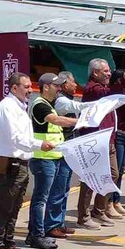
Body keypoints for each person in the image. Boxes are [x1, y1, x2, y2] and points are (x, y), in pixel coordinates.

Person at [0, 72, 55, 249]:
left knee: (15, 207)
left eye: (30, 86)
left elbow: (21, 137)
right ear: (14, 88)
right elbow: (15, 138)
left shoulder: (19, 107)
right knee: (4, 207)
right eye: (26, 87)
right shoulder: (7, 108)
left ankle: (9, 245)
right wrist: (39, 145)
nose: (30, 90)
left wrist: (36, 145)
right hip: (9, 164)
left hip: (20, 164)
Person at [27, 73, 78, 247]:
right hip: (43, 159)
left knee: (47, 196)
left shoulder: (49, 104)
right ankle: (36, 235)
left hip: (53, 157)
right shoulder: (40, 105)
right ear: (46, 87)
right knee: (41, 199)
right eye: (56, 86)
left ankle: (38, 232)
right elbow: (55, 120)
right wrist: (79, 121)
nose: (59, 89)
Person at [76, 59, 125, 228]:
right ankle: (83, 216)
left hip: (109, 138)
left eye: (109, 71)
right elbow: (108, 95)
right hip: (94, 140)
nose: (109, 74)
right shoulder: (92, 89)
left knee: (113, 174)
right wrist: (121, 82)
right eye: (105, 71)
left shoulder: (104, 89)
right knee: (90, 178)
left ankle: (99, 209)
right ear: (95, 73)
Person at [47, 71, 91, 232]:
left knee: (65, 187)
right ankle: (53, 225)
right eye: (73, 82)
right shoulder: (62, 102)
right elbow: (77, 107)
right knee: (58, 188)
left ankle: (60, 222)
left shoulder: (66, 99)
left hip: (69, 147)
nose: (76, 85)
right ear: (66, 84)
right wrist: (99, 105)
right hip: (62, 148)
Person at [110, 69, 125, 218]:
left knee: (122, 169)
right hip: (118, 135)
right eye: (124, 80)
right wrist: (121, 84)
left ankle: (116, 201)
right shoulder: (116, 96)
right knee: (115, 171)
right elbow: (116, 97)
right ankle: (109, 202)